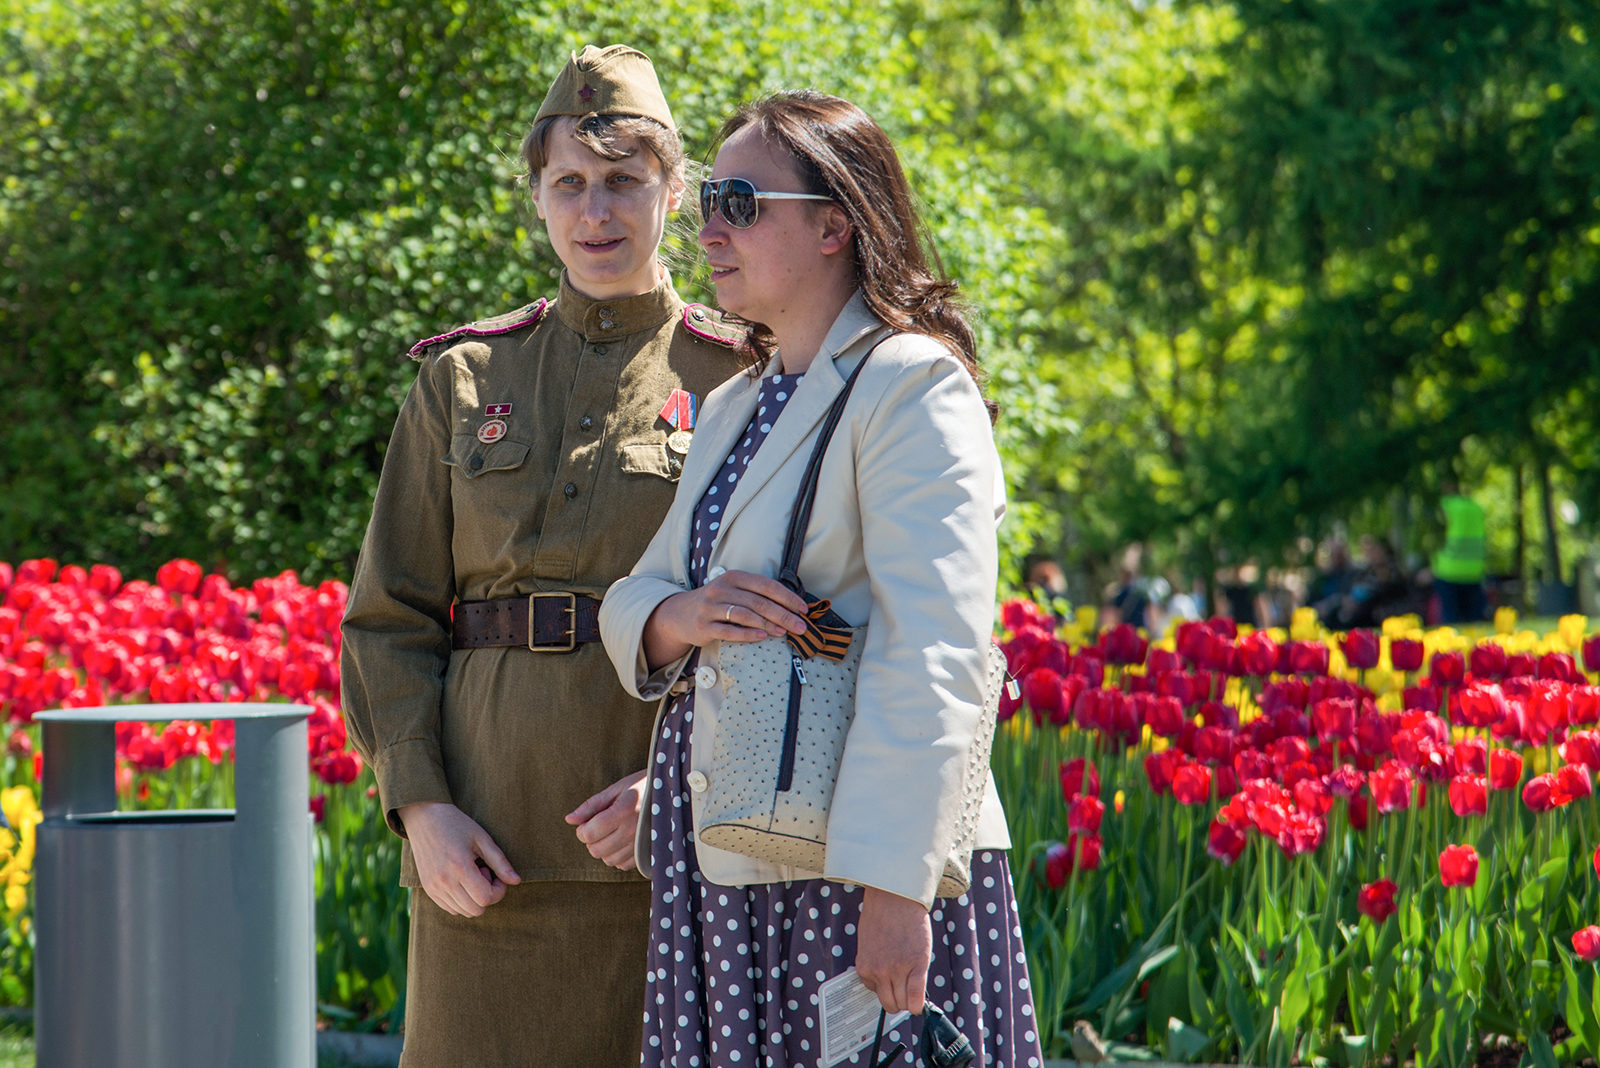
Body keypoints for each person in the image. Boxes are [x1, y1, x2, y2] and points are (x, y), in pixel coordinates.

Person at [598, 91, 1043, 1067]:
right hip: (731, 867)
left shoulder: (911, 385)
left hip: (854, 877)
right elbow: (631, 598)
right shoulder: (736, 403)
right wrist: (681, 614)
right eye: (708, 197)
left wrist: (898, 889)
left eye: (740, 202)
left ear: (835, 224)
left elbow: (939, 652)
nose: (707, 226)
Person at [339, 45, 747, 1066]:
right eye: (568, 183)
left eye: (622, 181)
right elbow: (386, 619)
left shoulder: (740, 373)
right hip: (481, 855)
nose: (595, 210)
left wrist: (694, 788)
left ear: (674, 190)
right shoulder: (465, 378)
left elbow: (784, 615)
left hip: (666, 850)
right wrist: (421, 809)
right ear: (537, 199)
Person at [1430, 482, 1488, 624]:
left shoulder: (1446, 506)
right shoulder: (1476, 508)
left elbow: (1436, 536)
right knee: (1475, 619)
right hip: (1474, 571)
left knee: (1450, 619)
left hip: (1448, 571)